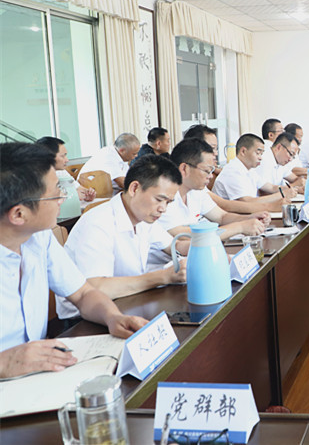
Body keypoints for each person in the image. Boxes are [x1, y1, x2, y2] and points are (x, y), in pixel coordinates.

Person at [0, 143, 147, 378]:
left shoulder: (39, 238)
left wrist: (113, 317)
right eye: (56, 193)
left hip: (40, 375)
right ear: (19, 214)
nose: (64, 198)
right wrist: (4, 363)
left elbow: (82, 294)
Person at [57, 155, 191, 320]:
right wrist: (163, 276)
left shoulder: (143, 217)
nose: (163, 209)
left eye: (168, 202)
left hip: (126, 302)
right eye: (159, 200)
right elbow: (96, 288)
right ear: (134, 188)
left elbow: (174, 246)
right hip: (83, 319)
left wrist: (205, 245)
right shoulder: (98, 222)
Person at [157, 138, 270, 244]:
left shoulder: (197, 191)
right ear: (184, 168)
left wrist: (250, 218)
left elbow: (222, 217)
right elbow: (183, 235)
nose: (211, 176)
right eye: (207, 171)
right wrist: (240, 227)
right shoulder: (163, 196)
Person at [184, 125, 284, 214]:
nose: (216, 153)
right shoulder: (232, 171)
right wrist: (271, 205)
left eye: (216, 148)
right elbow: (227, 205)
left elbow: (222, 216)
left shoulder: (249, 169)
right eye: (212, 148)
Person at [212, 134, 289, 205]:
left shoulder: (249, 170)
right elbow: (247, 202)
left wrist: (289, 189)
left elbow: (271, 187)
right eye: (257, 153)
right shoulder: (232, 171)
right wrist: (282, 194)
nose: (260, 158)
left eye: (261, 154)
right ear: (243, 151)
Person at [35, 136, 96, 202]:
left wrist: (88, 194)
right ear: (48, 157)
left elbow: (79, 188)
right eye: (62, 156)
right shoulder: (35, 177)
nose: (67, 160)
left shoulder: (60, 171)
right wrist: (73, 196)